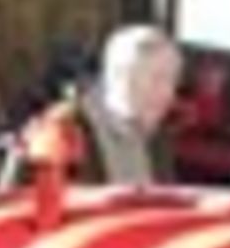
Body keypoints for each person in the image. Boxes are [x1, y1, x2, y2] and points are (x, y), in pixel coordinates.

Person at [11, 24, 184, 188]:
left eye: (173, 81)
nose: (168, 94)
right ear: (119, 76)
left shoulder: (158, 141)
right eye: (157, 79)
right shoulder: (58, 132)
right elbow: (15, 206)